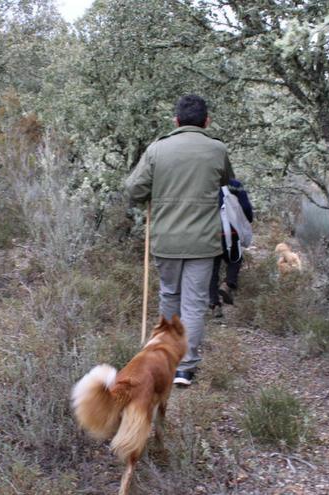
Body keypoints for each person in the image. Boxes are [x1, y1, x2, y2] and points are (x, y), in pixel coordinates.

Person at [125, 94, 233, 387]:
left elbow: (134, 190)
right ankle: (185, 368)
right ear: (206, 121)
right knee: (195, 304)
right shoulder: (217, 149)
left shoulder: (157, 149)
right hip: (203, 242)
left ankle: (165, 359)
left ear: (175, 121)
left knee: (169, 295)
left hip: (166, 239)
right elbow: (226, 182)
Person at [209, 178, 253, 318]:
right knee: (235, 259)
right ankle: (227, 284)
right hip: (230, 232)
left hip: (209, 233)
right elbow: (245, 207)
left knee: (213, 271)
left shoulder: (204, 182)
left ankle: (215, 304)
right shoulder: (234, 184)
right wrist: (248, 219)